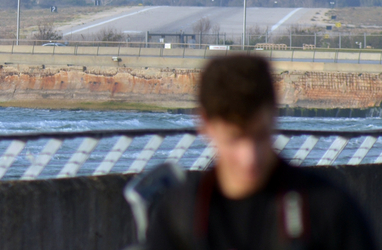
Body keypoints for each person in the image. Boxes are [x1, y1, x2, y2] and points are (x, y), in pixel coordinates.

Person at [146, 54, 377, 250]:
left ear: (275, 115)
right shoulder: (178, 217)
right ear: (204, 124)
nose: (250, 156)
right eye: (235, 139)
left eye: (260, 135)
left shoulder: (329, 211)